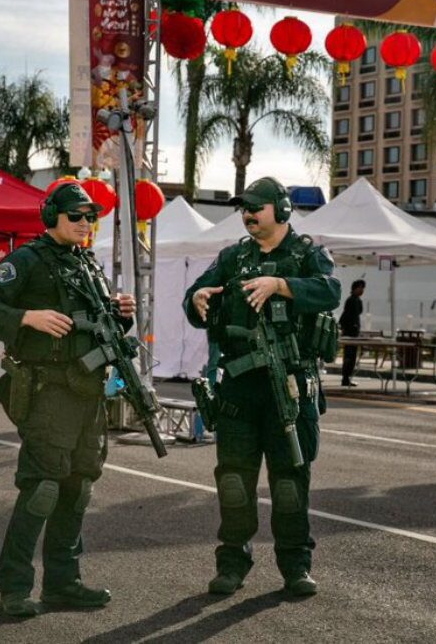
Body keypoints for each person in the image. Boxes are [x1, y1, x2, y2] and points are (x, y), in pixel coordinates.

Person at [0, 180, 136, 618]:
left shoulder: (88, 266)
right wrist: (27, 317)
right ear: (51, 217)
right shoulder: (25, 260)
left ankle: (64, 583)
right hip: (48, 394)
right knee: (42, 488)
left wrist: (121, 316)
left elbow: (103, 332)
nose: (84, 223)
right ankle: (14, 588)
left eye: (90, 217)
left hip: (89, 394)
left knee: (77, 489)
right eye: (75, 216)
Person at [184, 177, 340, 597]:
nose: (248, 215)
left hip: (289, 385)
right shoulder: (233, 257)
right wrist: (197, 299)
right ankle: (232, 564)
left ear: (282, 210)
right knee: (234, 481)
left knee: (290, 482)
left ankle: (295, 566)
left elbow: (330, 291)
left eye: (256, 207)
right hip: (239, 387)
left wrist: (281, 285)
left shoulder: (308, 254)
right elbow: (195, 297)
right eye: (243, 209)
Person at [338, 279, 366, 387]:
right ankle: (345, 378)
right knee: (349, 356)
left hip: (354, 331)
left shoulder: (357, 300)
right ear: (355, 288)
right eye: (360, 287)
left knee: (352, 356)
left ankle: (347, 378)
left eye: (363, 288)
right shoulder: (351, 300)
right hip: (350, 332)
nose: (362, 290)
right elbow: (346, 315)